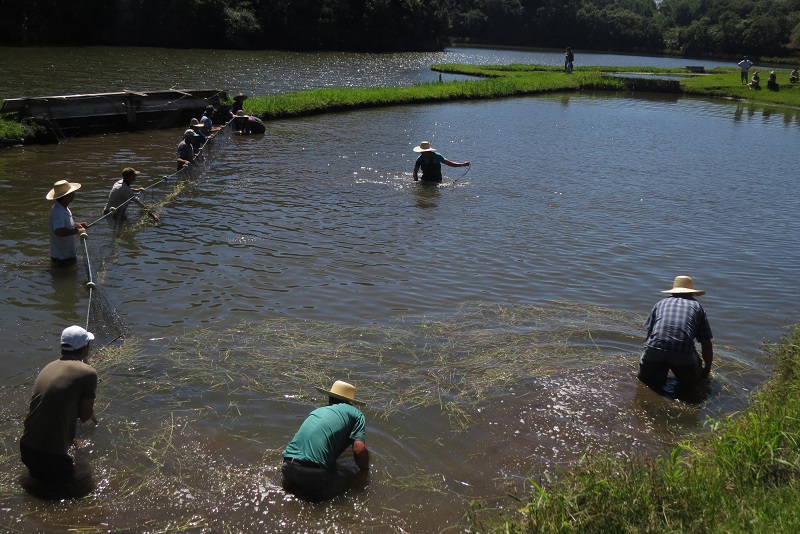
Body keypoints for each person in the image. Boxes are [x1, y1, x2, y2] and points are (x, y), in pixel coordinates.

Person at [20, 325, 98, 485]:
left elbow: (53, 409)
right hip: (53, 459)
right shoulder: (88, 372)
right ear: (85, 347)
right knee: (76, 488)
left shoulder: (48, 367)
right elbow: (85, 417)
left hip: (26, 450)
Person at [282, 380, 369, 500]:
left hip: (287, 466)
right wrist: (365, 472)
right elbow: (359, 449)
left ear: (330, 397)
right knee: (350, 479)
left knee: (298, 492)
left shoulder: (317, 411)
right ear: (350, 402)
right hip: (314, 474)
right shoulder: (357, 414)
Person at [638, 275, 713, 400]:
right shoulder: (697, 307)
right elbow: (706, 343)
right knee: (692, 384)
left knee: (647, 382)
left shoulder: (660, 303)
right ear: (692, 293)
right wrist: (706, 370)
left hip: (654, 348)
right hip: (682, 353)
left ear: (673, 291)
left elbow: (649, 336)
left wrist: (648, 356)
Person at [47, 180, 88, 266]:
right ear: (66, 196)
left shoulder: (63, 207)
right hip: (62, 258)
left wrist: (77, 225)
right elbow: (58, 231)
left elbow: (65, 225)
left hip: (66, 255)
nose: (74, 194)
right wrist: (77, 231)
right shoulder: (58, 212)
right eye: (72, 192)